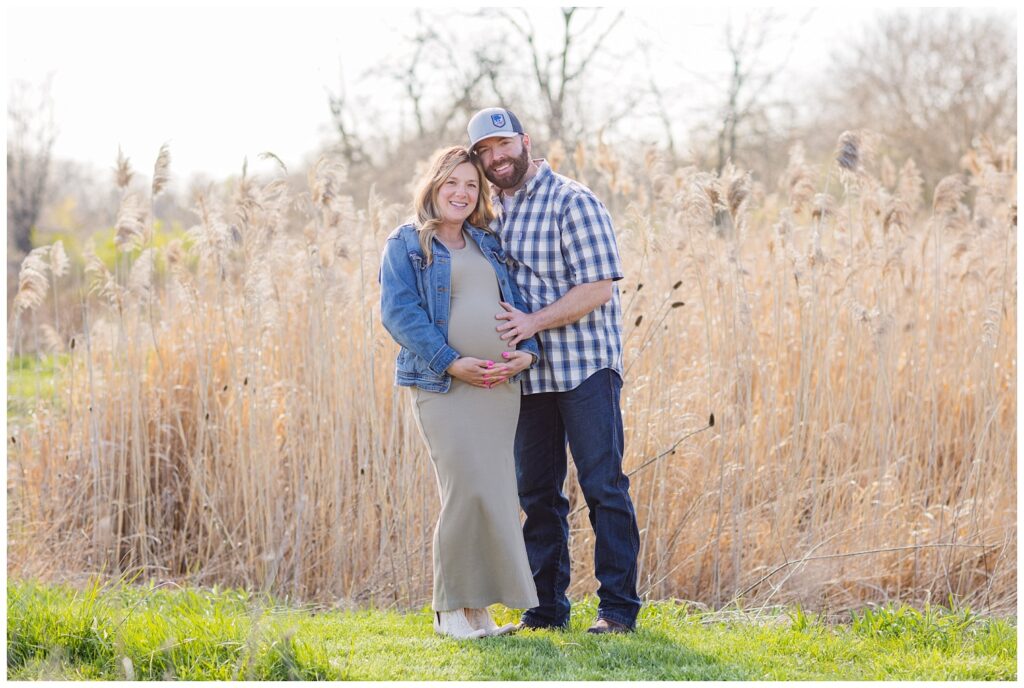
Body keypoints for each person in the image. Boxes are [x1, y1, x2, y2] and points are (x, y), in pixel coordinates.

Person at [466, 107, 642, 634]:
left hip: (585, 366)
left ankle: (617, 610)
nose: (497, 158)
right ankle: (545, 611)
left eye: (503, 145)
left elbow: (598, 288)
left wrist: (531, 322)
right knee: (536, 495)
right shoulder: (490, 212)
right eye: (485, 152)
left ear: (524, 141)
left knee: (603, 486)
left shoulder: (573, 201)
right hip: (529, 374)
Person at [379, 146, 541, 639]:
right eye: (452, 183)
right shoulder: (406, 243)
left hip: (499, 386)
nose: (462, 193)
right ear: (434, 185)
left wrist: (526, 352)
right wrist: (453, 362)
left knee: (493, 493)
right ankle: (449, 610)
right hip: (444, 385)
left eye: (471, 186)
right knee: (463, 490)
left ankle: (478, 612)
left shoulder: (486, 241)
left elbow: (514, 304)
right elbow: (399, 313)